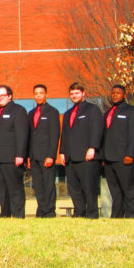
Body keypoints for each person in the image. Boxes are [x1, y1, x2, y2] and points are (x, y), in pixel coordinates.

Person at [58, 82, 103, 219]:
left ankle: (92, 214)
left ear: (83, 93)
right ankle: (79, 212)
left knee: (89, 187)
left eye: (77, 93)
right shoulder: (67, 113)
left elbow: (97, 130)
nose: (74, 96)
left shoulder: (92, 109)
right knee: (74, 188)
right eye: (71, 94)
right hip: (71, 157)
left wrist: (93, 147)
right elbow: (64, 134)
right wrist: (62, 152)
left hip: (87, 156)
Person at [0, 85, 29, 218]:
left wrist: (20, 155)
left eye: (2, 95)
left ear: (10, 96)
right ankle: (5, 213)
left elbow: (22, 134)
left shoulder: (18, 110)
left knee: (14, 189)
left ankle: (18, 215)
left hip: (12, 158)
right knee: (2, 190)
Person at [102, 84, 134, 218]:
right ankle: (117, 215)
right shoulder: (107, 113)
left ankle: (131, 216)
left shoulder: (132, 111)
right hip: (109, 158)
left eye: (118, 93)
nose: (115, 95)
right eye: (113, 93)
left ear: (124, 95)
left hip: (124, 157)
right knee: (115, 190)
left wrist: (130, 154)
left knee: (129, 189)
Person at [27, 84, 60, 218]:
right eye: (36, 93)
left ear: (46, 95)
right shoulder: (31, 113)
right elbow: (29, 136)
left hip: (46, 155)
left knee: (48, 184)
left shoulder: (52, 112)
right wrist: (28, 156)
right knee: (38, 186)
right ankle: (41, 209)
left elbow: (54, 135)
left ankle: (50, 211)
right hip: (34, 156)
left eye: (41, 93)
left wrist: (51, 155)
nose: (38, 95)